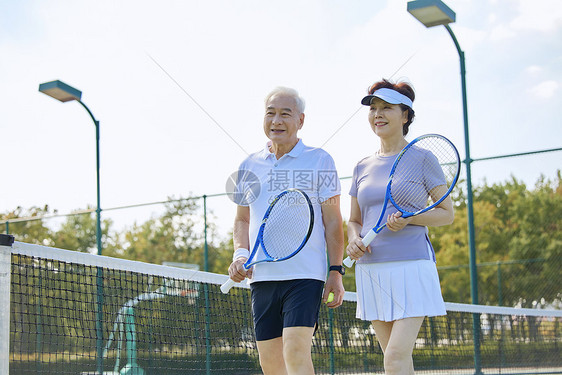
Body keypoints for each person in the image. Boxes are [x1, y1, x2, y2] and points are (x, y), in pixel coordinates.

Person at [227, 86, 345, 375]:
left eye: (285, 114)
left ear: (300, 121)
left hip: (305, 276)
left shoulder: (320, 160)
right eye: (270, 113)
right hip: (262, 278)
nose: (276, 120)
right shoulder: (248, 165)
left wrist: (335, 271)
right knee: (270, 363)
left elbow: (333, 221)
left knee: (295, 349)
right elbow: (242, 219)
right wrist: (241, 254)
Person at [346, 79, 453, 375]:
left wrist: (411, 218)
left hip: (412, 266)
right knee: (397, 360)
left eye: (387, 108)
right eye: (374, 109)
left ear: (405, 116)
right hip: (372, 269)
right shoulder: (361, 166)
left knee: (393, 358)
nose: (377, 114)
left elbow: (446, 214)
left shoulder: (423, 158)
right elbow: (354, 220)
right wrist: (353, 240)